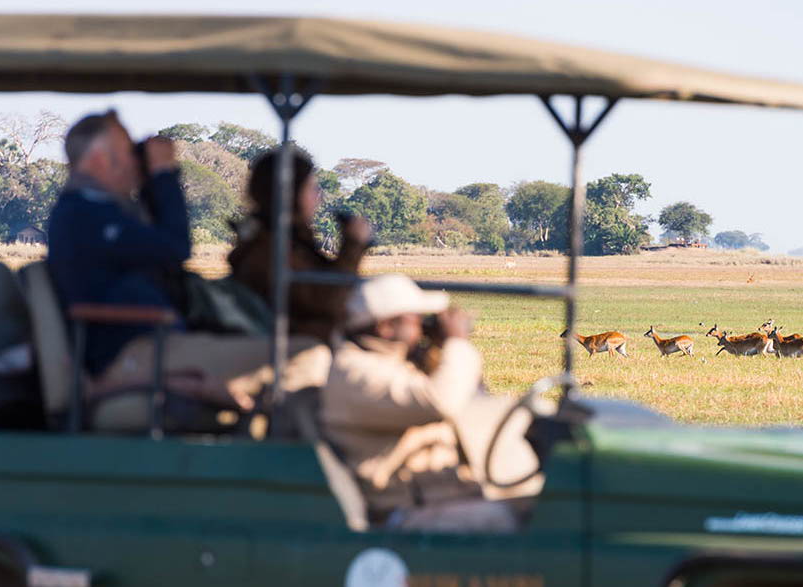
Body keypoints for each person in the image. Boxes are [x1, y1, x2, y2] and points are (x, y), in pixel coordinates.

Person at [46, 111, 329, 415]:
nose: (135, 160)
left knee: (297, 350)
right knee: (307, 354)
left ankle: (247, 420)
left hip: (158, 342)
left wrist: (151, 184)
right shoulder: (83, 215)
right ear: (100, 159)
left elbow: (162, 251)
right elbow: (175, 247)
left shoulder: (102, 212)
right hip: (136, 352)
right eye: (129, 152)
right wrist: (164, 173)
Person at [320, 274, 543, 531]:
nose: (422, 326)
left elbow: (470, 394)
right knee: (502, 519)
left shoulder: (392, 362)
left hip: (438, 495)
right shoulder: (355, 373)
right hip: (399, 512)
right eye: (416, 319)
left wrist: (437, 348)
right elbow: (441, 401)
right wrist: (456, 342)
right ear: (385, 327)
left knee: (543, 509)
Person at [227, 147, 372, 342]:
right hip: (295, 349)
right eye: (311, 188)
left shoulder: (276, 241)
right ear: (291, 194)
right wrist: (353, 245)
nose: (317, 197)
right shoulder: (272, 251)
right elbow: (327, 303)